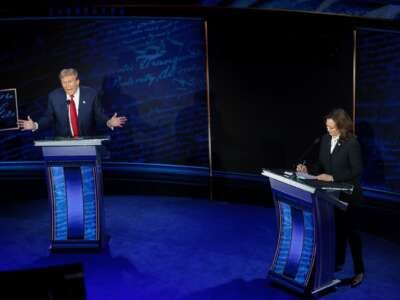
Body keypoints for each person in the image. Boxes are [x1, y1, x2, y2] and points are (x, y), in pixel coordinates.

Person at [296, 108, 365, 288]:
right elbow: (321, 164)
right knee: (337, 231)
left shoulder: (352, 143)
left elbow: (357, 170)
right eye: (327, 127)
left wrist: (333, 177)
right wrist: (308, 169)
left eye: (332, 128)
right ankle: (337, 263)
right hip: (331, 195)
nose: (328, 130)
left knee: (352, 234)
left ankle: (359, 271)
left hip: (350, 196)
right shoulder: (326, 140)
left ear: (342, 128)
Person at [17, 68, 127, 137]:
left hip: (87, 141)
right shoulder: (54, 96)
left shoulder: (91, 94)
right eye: (64, 82)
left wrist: (108, 122)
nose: (67, 85)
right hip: (63, 142)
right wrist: (35, 125)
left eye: (70, 82)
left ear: (77, 81)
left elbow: (98, 115)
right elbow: (48, 117)